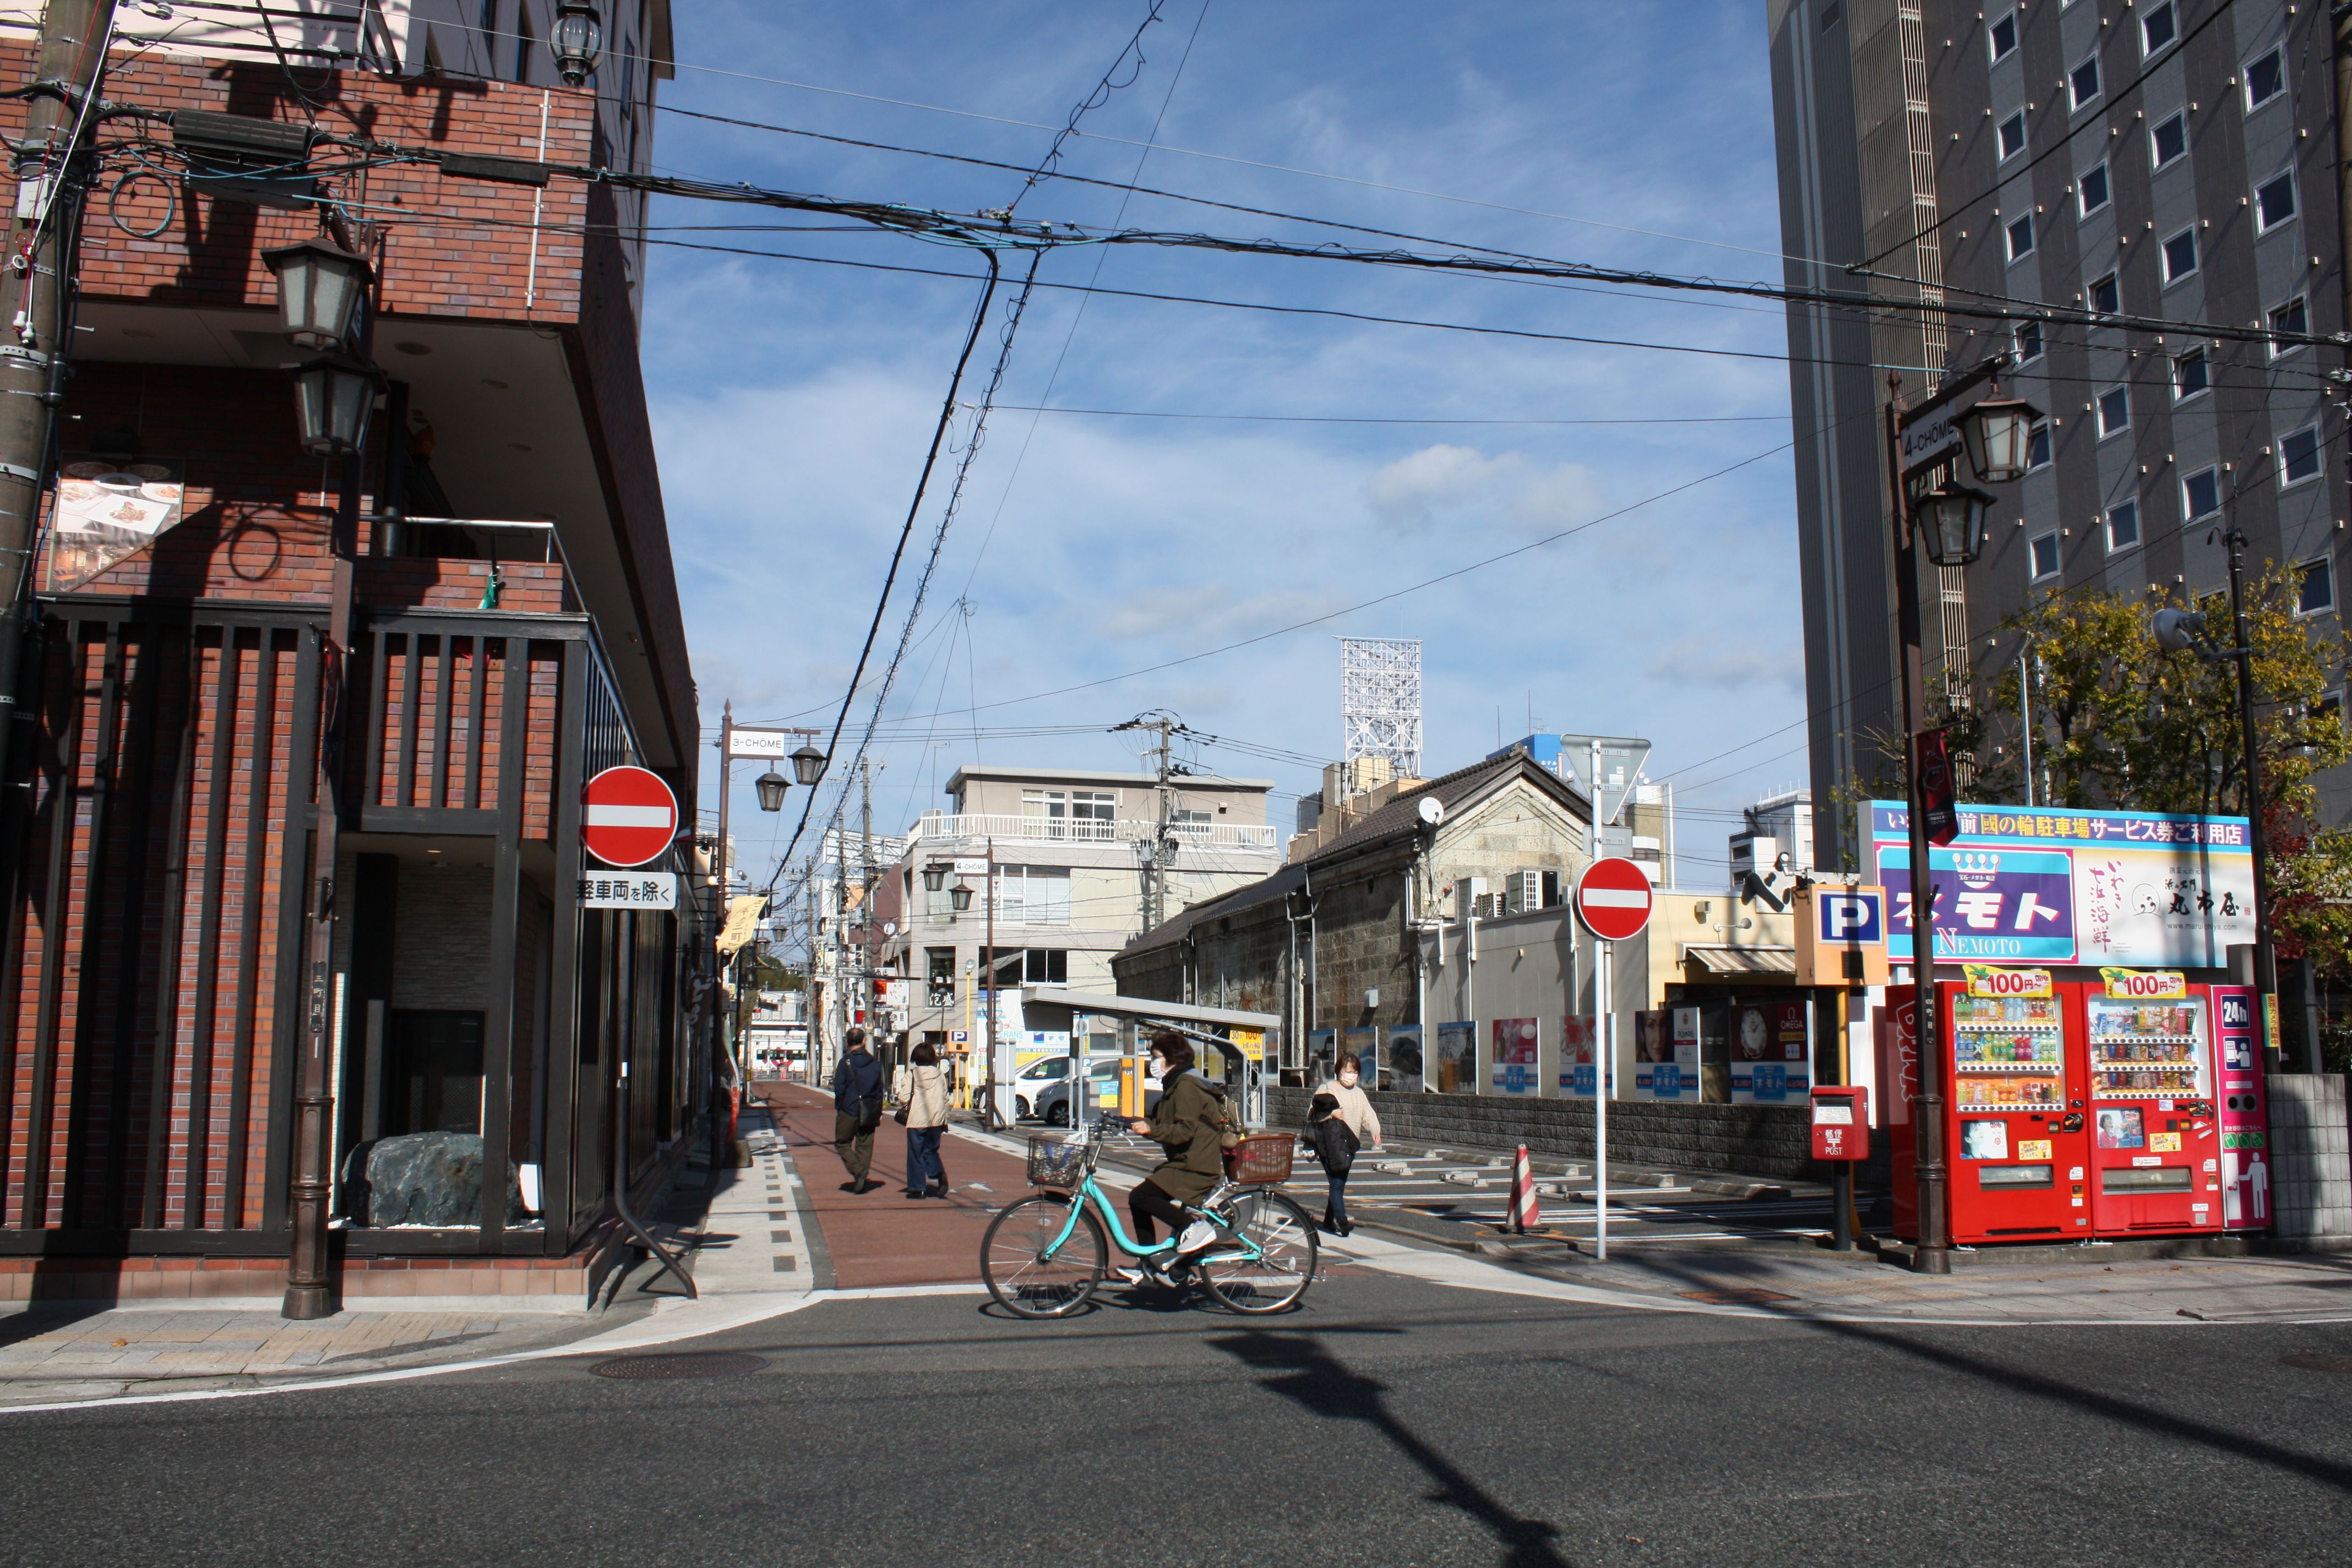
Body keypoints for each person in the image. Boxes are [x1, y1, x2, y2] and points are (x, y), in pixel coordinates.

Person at [1117, 1032, 1230, 1285]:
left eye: (1156, 1057)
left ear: (1172, 1058)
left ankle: (1195, 1228)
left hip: (1195, 1165)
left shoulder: (1186, 1086)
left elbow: (1184, 1131)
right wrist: (1137, 1123)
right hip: (1187, 1161)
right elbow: (1165, 1123)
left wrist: (1151, 1129)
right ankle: (1150, 1264)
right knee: (1140, 1200)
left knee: (1141, 1197)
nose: (1152, 1063)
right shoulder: (1177, 1083)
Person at [893, 1041, 952, 1199]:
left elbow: (904, 1097)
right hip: (937, 1120)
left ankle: (917, 1189)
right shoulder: (940, 1075)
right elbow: (946, 1099)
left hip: (917, 1120)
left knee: (915, 1154)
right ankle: (938, 1173)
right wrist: (945, 1122)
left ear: (916, 1058)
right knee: (930, 1150)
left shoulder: (912, 1074)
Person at [830, 1027, 884, 1193]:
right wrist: (879, 1111)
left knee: (842, 1142)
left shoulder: (845, 1062)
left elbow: (839, 1088)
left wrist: (840, 1107)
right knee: (865, 1145)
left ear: (847, 1041)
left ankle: (858, 1171)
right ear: (863, 1042)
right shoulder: (875, 1064)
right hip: (869, 1109)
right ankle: (861, 1175)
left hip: (849, 1108)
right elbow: (879, 1090)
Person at [1300, 1091, 1359, 1236]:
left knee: (1336, 1187)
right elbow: (1340, 1143)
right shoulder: (1333, 1124)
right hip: (1340, 1158)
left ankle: (1328, 1221)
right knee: (1337, 1187)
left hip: (1328, 1157)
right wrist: (1351, 1153)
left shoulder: (1316, 1122)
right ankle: (1342, 1221)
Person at [1315, 1052, 1384, 1151]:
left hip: (1351, 1145)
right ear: (1339, 1071)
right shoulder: (1327, 1089)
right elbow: (1313, 1113)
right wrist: (1331, 1114)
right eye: (1348, 1072)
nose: (1351, 1075)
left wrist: (1375, 1131)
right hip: (1329, 1144)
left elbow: (1369, 1115)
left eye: (1355, 1072)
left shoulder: (1359, 1093)